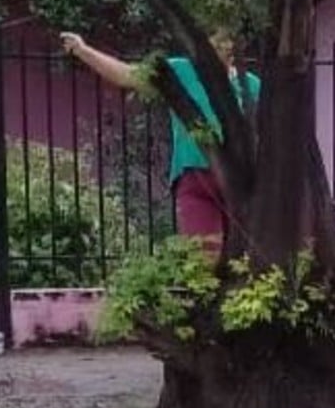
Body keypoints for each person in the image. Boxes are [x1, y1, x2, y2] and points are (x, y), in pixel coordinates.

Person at [60, 29, 260, 258]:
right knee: (204, 258)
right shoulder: (179, 70)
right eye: (215, 42)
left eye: (228, 43)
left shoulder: (250, 85)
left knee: (243, 259)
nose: (222, 49)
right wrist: (83, 50)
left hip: (240, 181)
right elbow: (129, 75)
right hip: (195, 177)